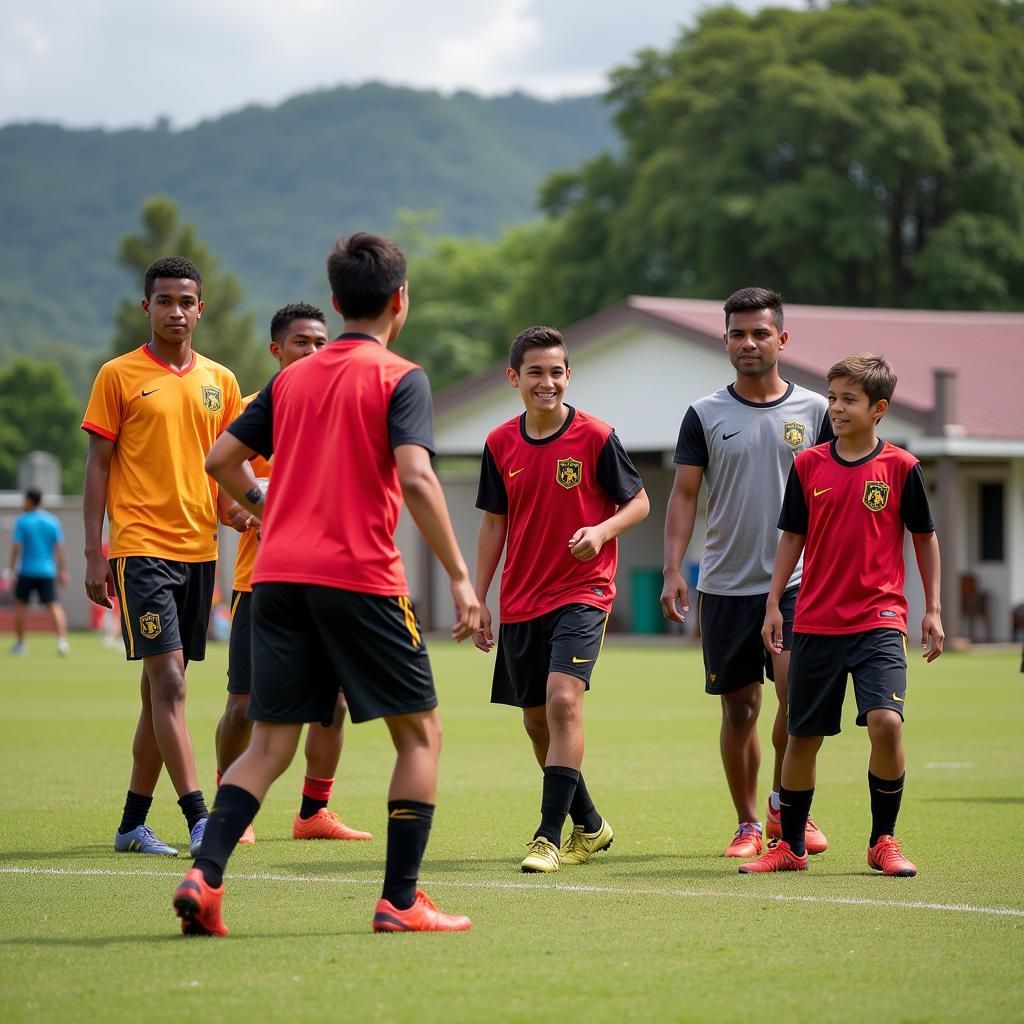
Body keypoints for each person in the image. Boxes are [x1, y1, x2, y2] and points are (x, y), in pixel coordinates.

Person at [175, 232, 479, 936]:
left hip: (276, 578)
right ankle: (401, 900)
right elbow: (415, 475)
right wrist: (462, 581)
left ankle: (205, 876)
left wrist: (267, 507)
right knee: (420, 737)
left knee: (268, 744)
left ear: (338, 303)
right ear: (400, 300)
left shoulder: (289, 379)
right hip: (360, 578)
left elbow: (221, 458)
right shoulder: (401, 377)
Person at [740, 353, 943, 876]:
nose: (835, 407)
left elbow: (925, 539)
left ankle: (883, 841)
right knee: (802, 736)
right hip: (814, 621)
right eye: (831, 397)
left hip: (879, 620)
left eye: (848, 399)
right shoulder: (808, 464)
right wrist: (772, 604)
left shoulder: (901, 468)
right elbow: (792, 537)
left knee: (887, 724)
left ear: (879, 408)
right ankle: (790, 848)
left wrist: (934, 609)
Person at [661, 287, 832, 859]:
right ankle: (749, 822)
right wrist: (673, 570)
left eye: (760, 333)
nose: (749, 343)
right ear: (725, 339)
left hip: (798, 582)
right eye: (738, 333)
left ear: (782, 339)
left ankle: (790, 806)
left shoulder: (815, 412)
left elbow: (838, 492)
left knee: (794, 695)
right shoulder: (703, 414)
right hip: (726, 585)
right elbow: (684, 496)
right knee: (740, 707)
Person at [82, 256, 244, 858]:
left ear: (201, 309)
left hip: (200, 551)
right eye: (164, 301)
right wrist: (94, 552)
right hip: (139, 549)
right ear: (145, 307)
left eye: (186, 302)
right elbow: (98, 466)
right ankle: (201, 818)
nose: (176, 311)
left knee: (158, 695)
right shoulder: (117, 376)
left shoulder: (221, 383)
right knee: (170, 682)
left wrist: (245, 514)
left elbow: (229, 477)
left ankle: (131, 824)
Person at [474, 325, 649, 874]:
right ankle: (591, 826)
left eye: (556, 372)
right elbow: (494, 524)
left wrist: (600, 531)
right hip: (520, 600)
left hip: (582, 591)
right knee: (535, 722)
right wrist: (477, 596)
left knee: (563, 701)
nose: (546, 382)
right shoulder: (500, 443)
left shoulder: (596, 435)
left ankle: (547, 837)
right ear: (514, 378)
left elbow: (639, 502)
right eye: (535, 372)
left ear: (568, 376)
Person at [216, 301, 371, 844]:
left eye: (321, 343)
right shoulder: (255, 410)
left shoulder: (342, 411)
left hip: (326, 582)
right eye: (302, 342)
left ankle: (313, 813)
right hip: (261, 583)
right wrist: (269, 507)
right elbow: (225, 497)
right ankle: (232, 809)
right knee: (243, 704)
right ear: (275, 349)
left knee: (334, 704)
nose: (313, 352)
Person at [6, 489, 70, 656]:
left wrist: (11, 571)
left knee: (20, 607)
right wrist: (63, 570)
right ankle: (62, 642)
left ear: (29, 501)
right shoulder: (52, 521)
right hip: (47, 572)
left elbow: (16, 548)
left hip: (26, 571)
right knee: (54, 606)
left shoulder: (22, 521)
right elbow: (60, 548)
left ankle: (21, 644)